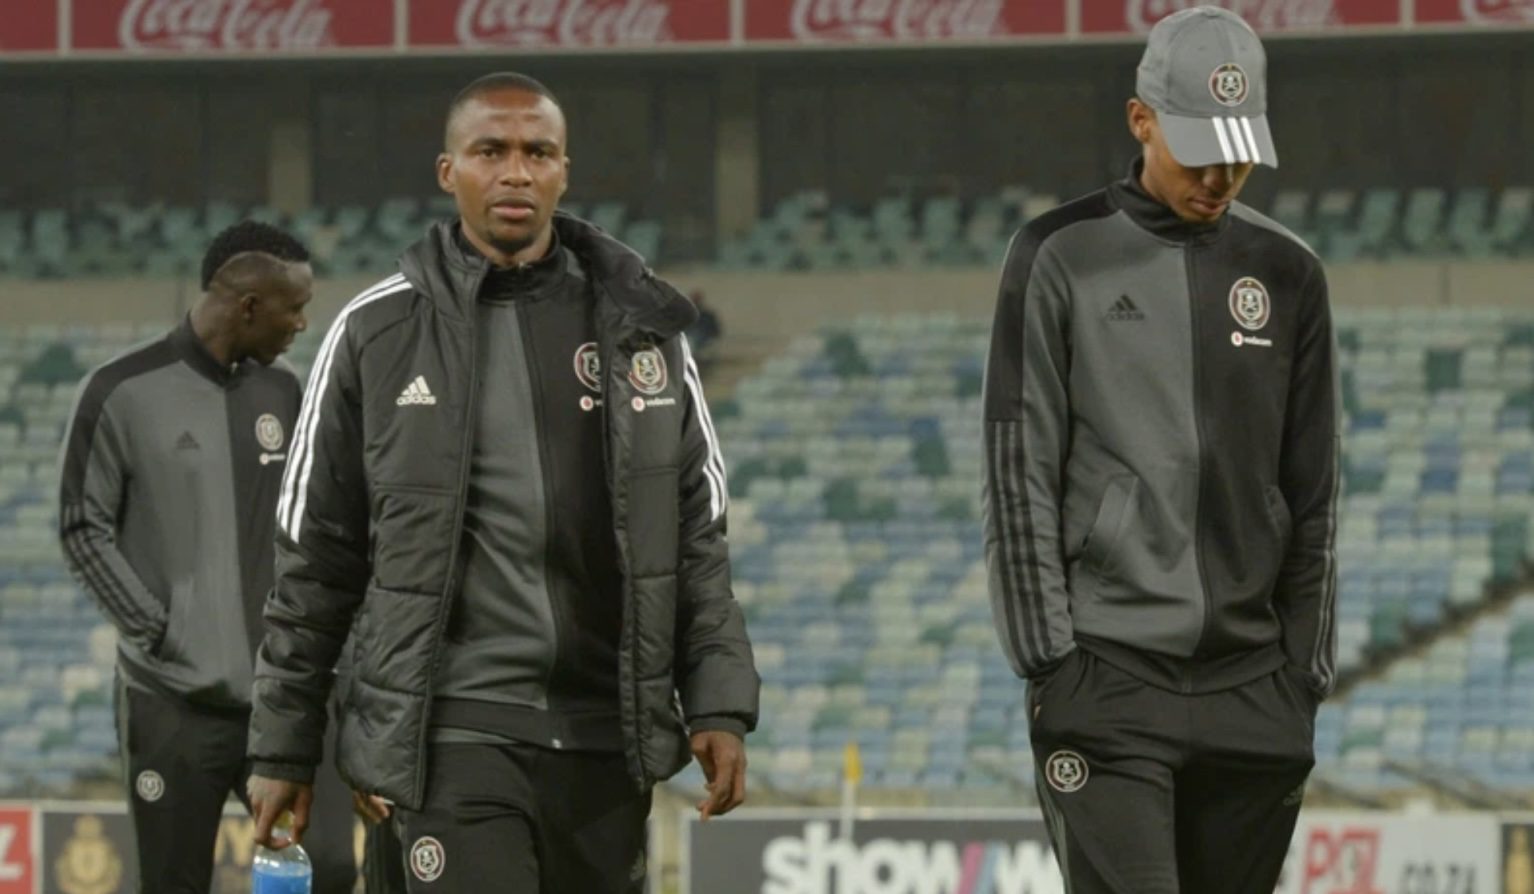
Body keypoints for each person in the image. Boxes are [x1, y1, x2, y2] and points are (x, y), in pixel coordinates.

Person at [245, 72, 759, 891]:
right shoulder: (375, 332)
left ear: (564, 171)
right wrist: (282, 746)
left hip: (603, 736)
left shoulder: (644, 333)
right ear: (449, 170)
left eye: (537, 153)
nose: (516, 172)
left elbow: (695, 534)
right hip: (449, 732)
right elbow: (314, 560)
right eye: (491, 151)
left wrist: (718, 701)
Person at [981, 8, 1338, 893]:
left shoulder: (1290, 272)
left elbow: (1315, 493)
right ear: (1141, 120)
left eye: (1239, 153)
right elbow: (1016, 467)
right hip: (1106, 675)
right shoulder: (1056, 255)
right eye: (1198, 150)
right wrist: (1051, 662)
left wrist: (1303, 673)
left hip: (1255, 689)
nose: (1220, 177)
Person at [57, 222, 358, 893]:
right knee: (173, 882)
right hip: (171, 705)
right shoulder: (119, 391)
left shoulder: (286, 391)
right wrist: (160, 630)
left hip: (281, 703)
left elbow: (314, 528)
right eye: (294, 308)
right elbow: (82, 526)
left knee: (330, 870)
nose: (302, 323)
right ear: (248, 305)